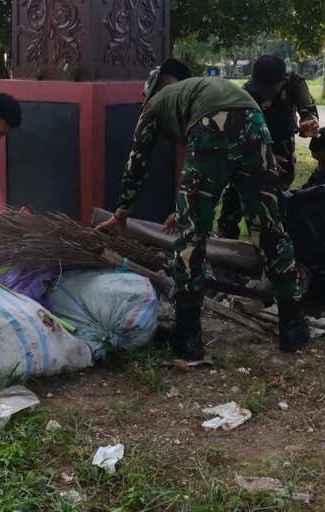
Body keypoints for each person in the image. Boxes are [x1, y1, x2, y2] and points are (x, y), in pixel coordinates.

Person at [96, 59, 310, 359]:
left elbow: (137, 161)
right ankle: (293, 326)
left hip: (213, 124)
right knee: (269, 228)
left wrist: (121, 213)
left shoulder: (154, 103)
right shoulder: (196, 89)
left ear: (150, 92)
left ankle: (188, 336)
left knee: (191, 235)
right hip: (254, 120)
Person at [217, 54, 319, 238]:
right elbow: (234, 137)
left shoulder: (294, 84)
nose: (264, 93)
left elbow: (309, 113)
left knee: (275, 201)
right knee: (235, 196)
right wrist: (261, 156)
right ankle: (225, 239)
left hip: (282, 149)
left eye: (269, 88)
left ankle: (275, 239)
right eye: (260, 87)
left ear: (283, 80)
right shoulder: (245, 93)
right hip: (252, 147)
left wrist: (308, 125)